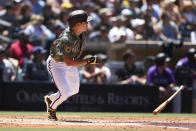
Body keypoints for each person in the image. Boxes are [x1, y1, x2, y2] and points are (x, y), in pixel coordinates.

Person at [44, 10, 99, 121]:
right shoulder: (66, 39)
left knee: (74, 90)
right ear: (78, 25)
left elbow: (71, 60)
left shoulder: (80, 33)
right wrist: (88, 61)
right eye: (85, 22)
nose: (87, 24)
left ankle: (51, 99)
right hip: (57, 64)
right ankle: (52, 109)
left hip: (70, 61)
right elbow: (69, 62)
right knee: (64, 92)